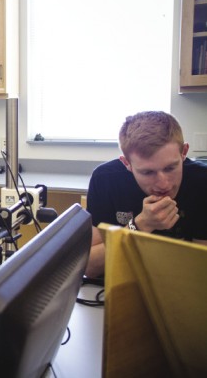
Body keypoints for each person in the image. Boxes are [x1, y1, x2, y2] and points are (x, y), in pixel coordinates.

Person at [85, 111, 207, 278]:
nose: (163, 184)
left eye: (170, 168)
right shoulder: (106, 180)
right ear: (127, 163)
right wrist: (140, 225)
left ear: (183, 152)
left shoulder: (202, 182)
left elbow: (200, 268)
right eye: (148, 172)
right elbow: (90, 266)